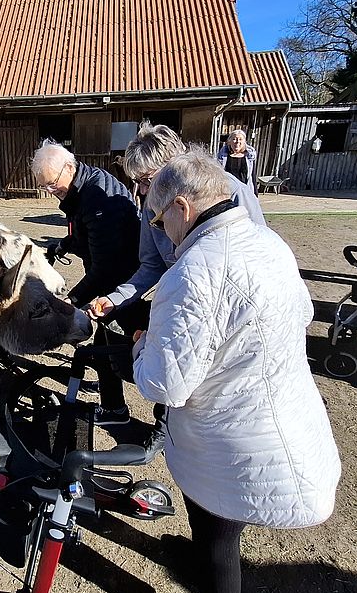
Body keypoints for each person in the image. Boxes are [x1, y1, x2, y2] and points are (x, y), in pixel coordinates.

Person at [132, 148, 341, 593]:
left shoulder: (193, 272)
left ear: (182, 208)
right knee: (220, 533)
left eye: (157, 218)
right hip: (282, 414)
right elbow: (301, 316)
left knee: (217, 537)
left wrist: (142, 348)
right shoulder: (269, 243)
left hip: (229, 441)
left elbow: (167, 384)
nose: (160, 230)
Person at [86, 122, 266, 451]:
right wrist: (115, 299)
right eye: (137, 182)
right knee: (177, 369)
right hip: (186, 299)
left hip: (226, 310)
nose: (141, 191)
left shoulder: (233, 193)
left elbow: (257, 257)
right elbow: (151, 265)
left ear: (175, 168)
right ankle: (165, 423)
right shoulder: (152, 204)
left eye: (145, 180)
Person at [31, 141, 140, 309]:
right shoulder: (78, 189)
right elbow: (83, 232)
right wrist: (62, 246)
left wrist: (72, 300)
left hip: (124, 279)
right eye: (43, 186)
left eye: (52, 183)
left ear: (68, 167)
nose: (50, 191)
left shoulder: (96, 200)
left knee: (128, 323)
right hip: (110, 274)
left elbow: (105, 266)